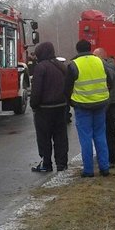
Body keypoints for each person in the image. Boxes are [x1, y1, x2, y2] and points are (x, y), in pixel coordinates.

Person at [65, 39, 110, 177]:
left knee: (86, 138)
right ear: (90, 48)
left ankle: (89, 170)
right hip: (101, 104)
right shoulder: (100, 62)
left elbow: (67, 88)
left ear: (77, 50)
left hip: (82, 106)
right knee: (100, 136)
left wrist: (71, 102)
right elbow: (111, 80)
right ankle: (104, 168)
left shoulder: (73, 65)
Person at [29, 41, 69, 173]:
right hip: (61, 106)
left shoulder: (41, 67)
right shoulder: (61, 66)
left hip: (44, 109)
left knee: (44, 137)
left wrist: (34, 105)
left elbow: (36, 90)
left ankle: (46, 163)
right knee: (60, 136)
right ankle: (62, 163)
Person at [93, 47, 115, 168]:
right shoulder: (112, 67)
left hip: (106, 103)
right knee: (110, 132)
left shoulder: (104, 68)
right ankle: (112, 158)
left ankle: (106, 158)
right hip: (112, 102)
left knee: (103, 132)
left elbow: (108, 86)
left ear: (100, 57)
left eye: (95, 56)